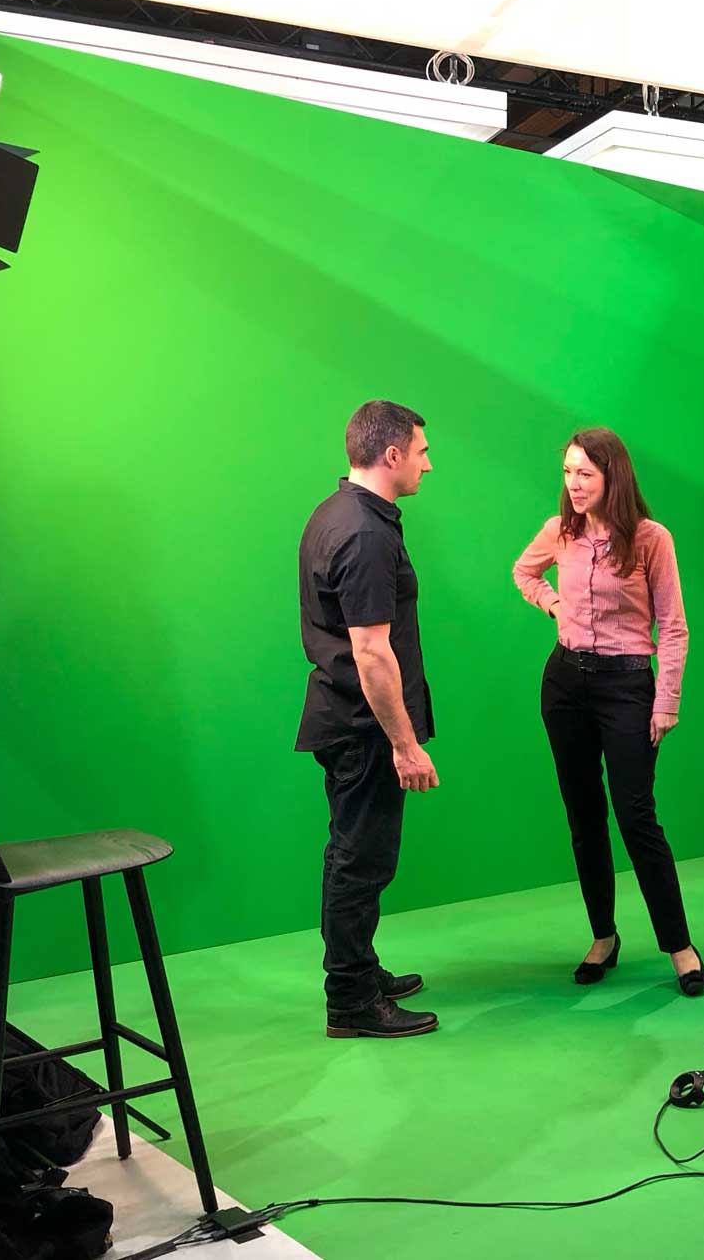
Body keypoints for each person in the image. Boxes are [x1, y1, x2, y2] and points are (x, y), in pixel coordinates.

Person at [514, 429, 704, 994]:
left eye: (585, 473)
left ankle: (680, 946)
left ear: (611, 476)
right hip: (564, 684)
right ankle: (603, 936)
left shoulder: (651, 538)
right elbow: (525, 572)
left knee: (636, 816)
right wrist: (553, 604)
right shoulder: (560, 531)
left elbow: (674, 627)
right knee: (584, 815)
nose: (573, 484)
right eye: (567, 472)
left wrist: (666, 701)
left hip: (627, 687)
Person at [296, 399, 440, 1039]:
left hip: (349, 718)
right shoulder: (364, 534)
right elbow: (372, 651)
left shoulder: (339, 513)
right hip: (364, 727)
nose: (427, 465)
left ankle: (360, 968)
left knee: (359, 854)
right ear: (392, 453)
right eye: (422, 452)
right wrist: (405, 745)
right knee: (360, 860)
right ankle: (351, 1000)